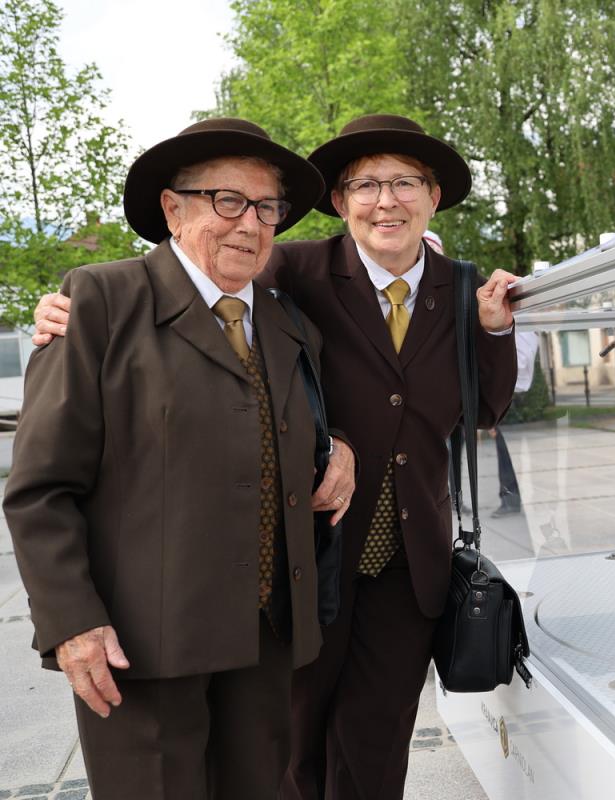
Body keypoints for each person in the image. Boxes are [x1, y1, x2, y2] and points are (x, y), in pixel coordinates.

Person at [33, 114, 519, 799]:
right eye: (367, 184)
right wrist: (69, 310)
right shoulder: (290, 272)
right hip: (307, 560)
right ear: (340, 201)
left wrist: (493, 333)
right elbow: (178, 290)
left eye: (405, 183)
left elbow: (477, 411)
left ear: (433, 196)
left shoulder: (455, 289)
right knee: (289, 746)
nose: (386, 201)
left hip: (403, 565)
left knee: (373, 745)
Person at [4, 118, 344, 800]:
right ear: (172, 208)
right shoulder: (100, 302)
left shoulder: (289, 324)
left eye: (267, 207)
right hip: (142, 645)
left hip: (266, 638)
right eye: (228, 200)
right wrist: (72, 621)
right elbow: (40, 488)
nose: (250, 223)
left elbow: (292, 432)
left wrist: (340, 449)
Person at [491, 330, 540, 517]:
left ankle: (512, 500)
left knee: (509, 455)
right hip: (511, 395)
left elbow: (515, 366)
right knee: (508, 454)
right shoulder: (523, 330)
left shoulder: (522, 330)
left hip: (513, 395)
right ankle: (511, 499)